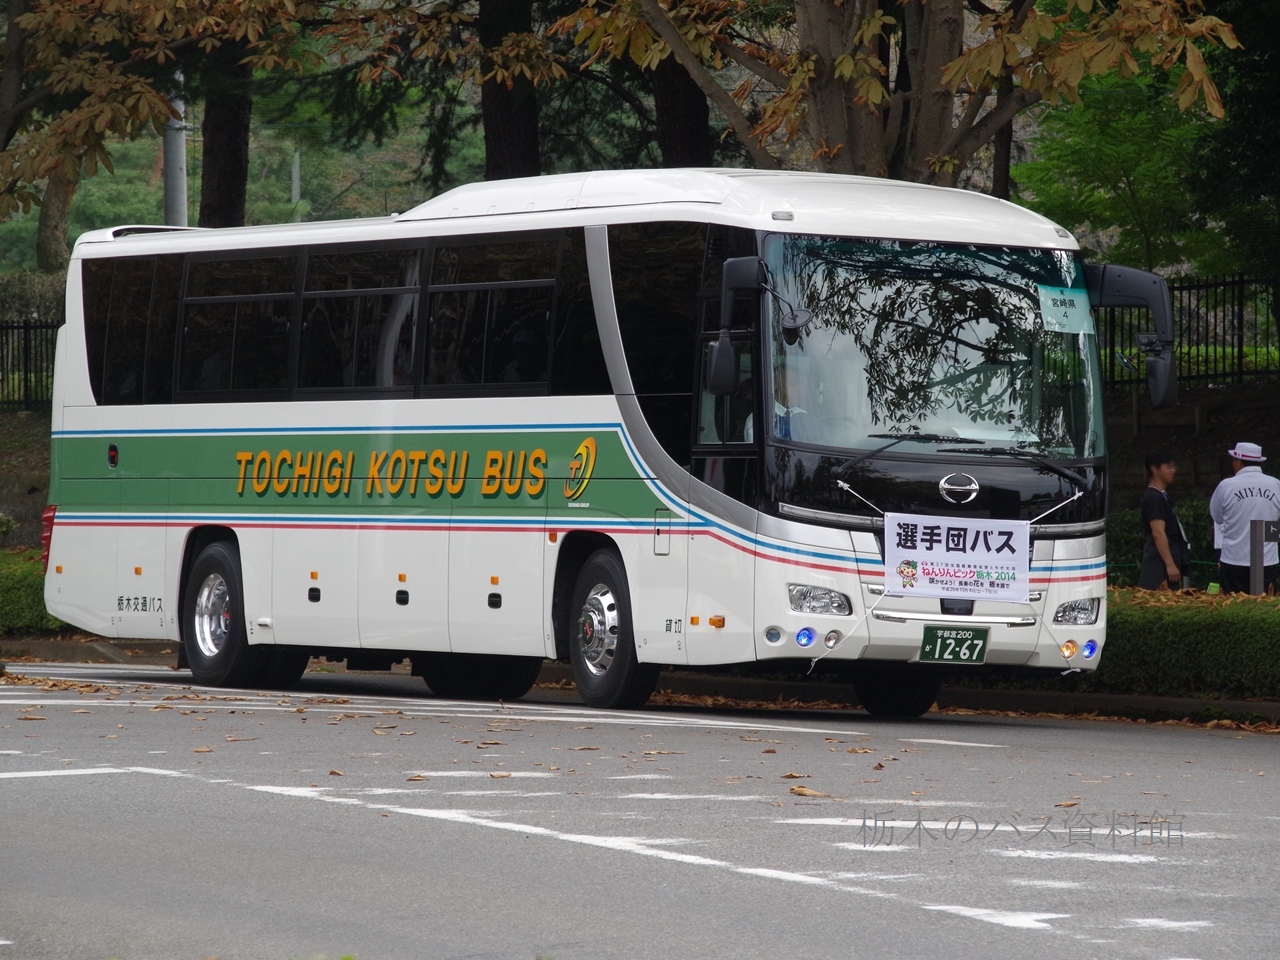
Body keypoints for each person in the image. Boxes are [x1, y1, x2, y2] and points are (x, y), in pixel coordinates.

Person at [1209, 442, 1280, 593]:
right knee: (1261, 604)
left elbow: (1218, 518)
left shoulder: (1226, 486)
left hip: (1234, 559)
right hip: (1265, 559)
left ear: (1239, 462)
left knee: (1233, 604)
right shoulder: (1275, 485)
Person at [1138, 451, 1190, 591]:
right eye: (1168, 467)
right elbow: (1158, 533)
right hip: (1158, 561)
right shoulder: (1154, 497)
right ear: (1154, 469)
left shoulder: (1162, 495)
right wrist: (1170, 564)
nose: (1173, 471)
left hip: (1170, 554)